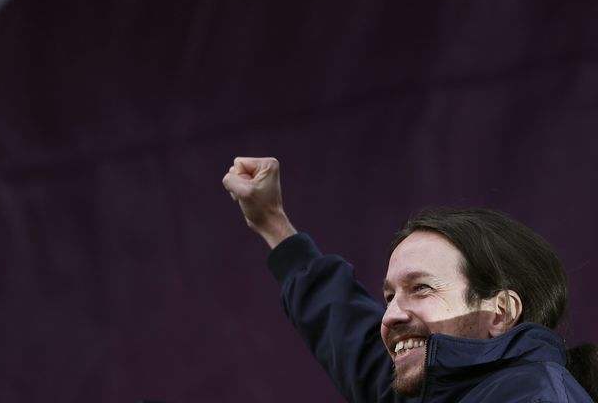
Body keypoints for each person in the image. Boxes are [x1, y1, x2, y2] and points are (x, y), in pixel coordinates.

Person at [222, 156, 598, 402]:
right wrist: (273, 223)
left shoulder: (535, 396)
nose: (389, 317)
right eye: (389, 297)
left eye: (421, 288)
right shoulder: (431, 388)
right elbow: (348, 333)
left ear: (500, 312)